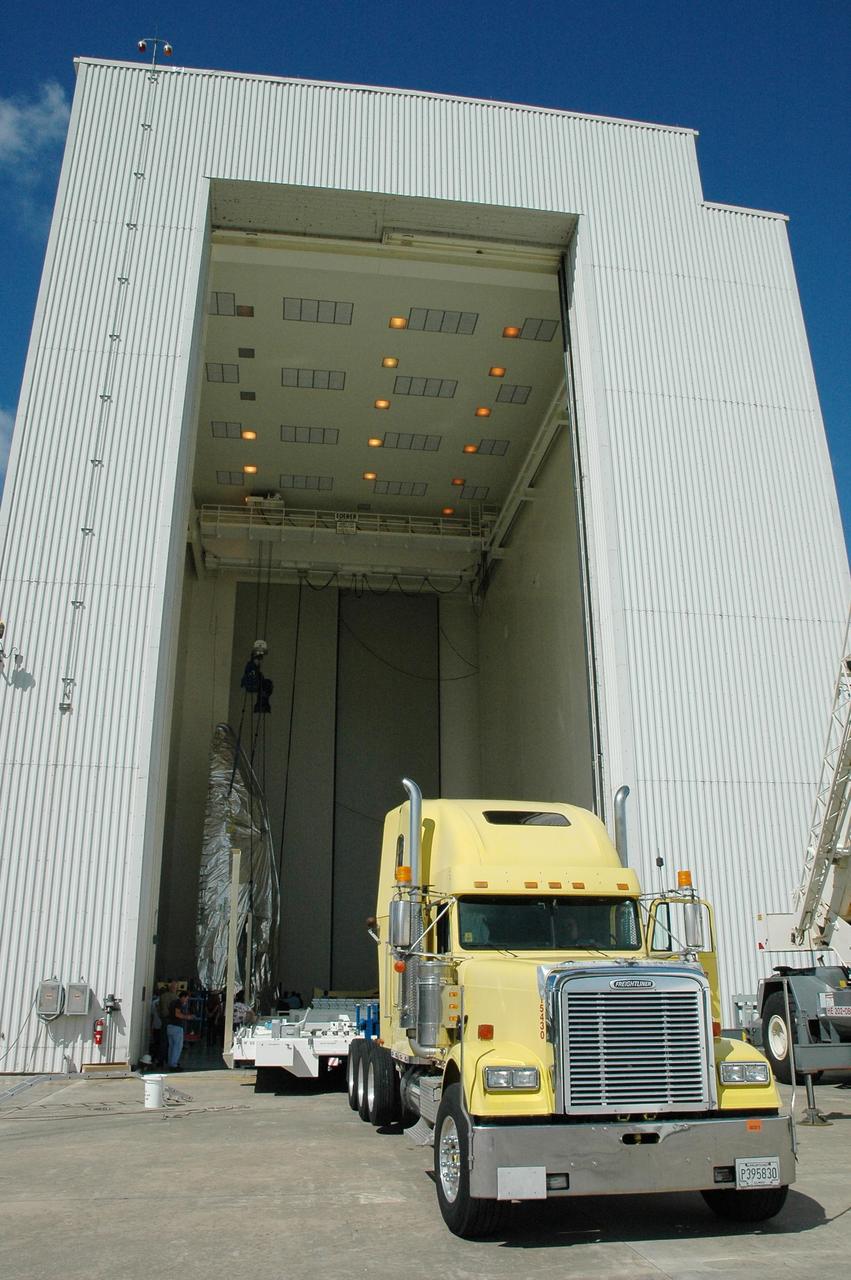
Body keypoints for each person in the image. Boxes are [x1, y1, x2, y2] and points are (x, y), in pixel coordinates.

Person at [163, 985, 193, 1071]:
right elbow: (177, 1014)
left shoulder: (173, 1002)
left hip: (170, 1026)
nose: (187, 1000)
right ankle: (174, 1064)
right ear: (183, 997)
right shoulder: (179, 1003)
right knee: (177, 1047)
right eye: (186, 998)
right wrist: (187, 1017)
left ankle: (171, 1062)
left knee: (171, 1046)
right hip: (177, 1027)